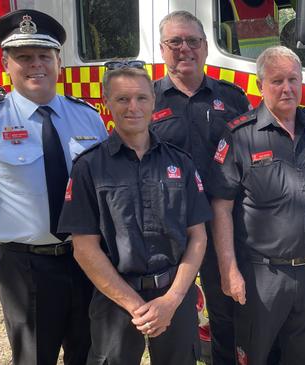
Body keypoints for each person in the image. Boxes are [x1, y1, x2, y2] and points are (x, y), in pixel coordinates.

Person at [0, 9, 108, 365]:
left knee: (90, 353)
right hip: (25, 269)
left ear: (58, 61)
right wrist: (15, 237)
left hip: (86, 260)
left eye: (44, 56)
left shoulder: (88, 117)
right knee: (33, 358)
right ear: (5, 63)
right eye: (24, 57)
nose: (36, 66)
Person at [208, 45, 305, 365]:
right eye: (277, 81)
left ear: (302, 83)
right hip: (262, 275)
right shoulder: (240, 135)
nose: (286, 88)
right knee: (254, 356)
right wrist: (228, 268)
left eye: (293, 79)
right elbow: (221, 205)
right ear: (260, 86)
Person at [57, 63, 211, 364]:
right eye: (122, 99)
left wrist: (172, 300)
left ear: (153, 101)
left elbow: (198, 237)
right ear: (106, 103)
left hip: (174, 294)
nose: (133, 107)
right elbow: (84, 249)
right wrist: (135, 306)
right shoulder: (89, 168)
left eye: (141, 98)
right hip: (115, 298)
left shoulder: (181, 163)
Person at [150, 10, 251, 364]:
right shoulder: (147, 100)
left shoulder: (232, 98)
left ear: (206, 48)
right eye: (175, 42)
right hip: (166, 228)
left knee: (225, 310)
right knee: (171, 313)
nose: (184, 49)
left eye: (193, 41)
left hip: (220, 224)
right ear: (162, 49)